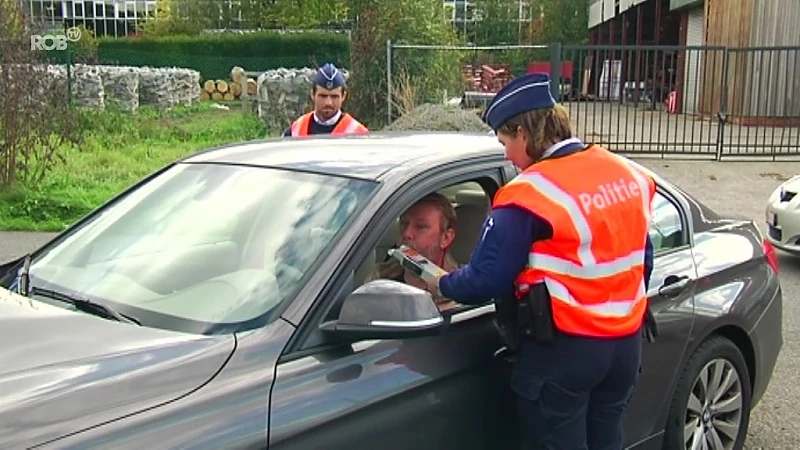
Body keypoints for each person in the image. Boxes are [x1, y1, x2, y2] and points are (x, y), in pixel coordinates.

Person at [424, 73, 658, 449]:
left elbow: (486, 279)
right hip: (625, 348)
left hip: (565, 353)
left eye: (505, 142)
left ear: (524, 134)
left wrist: (440, 283)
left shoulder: (530, 194)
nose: (505, 155)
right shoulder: (625, 173)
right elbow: (642, 256)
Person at [368, 192, 461, 311]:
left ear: (446, 238)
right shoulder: (380, 277)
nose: (407, 234)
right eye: (404, 224)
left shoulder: (458, 288)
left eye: (421, 227)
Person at [283, 63, 369, 137]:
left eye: (334, 97)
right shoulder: (295, 131)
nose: (328, 103)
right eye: (323, 96)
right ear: (313, 95)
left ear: (343, 96)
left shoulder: (358, 134)